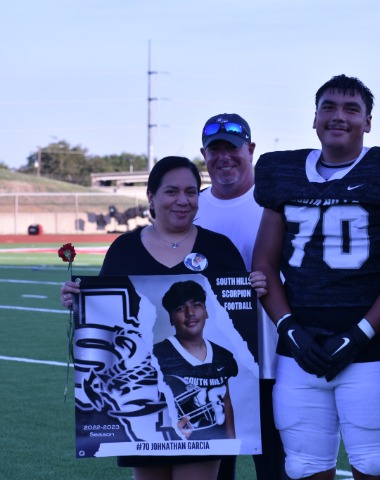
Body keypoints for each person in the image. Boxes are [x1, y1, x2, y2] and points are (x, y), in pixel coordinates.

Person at [252, 74, 380, 480]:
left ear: (368, 122)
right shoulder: (281, 171)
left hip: (372, 349)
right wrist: (290, 331)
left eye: (352, 109)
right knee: (303, 466)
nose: (339, 116)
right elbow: (263, 263)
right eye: (329, 107)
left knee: (374, 464)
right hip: (300, 349)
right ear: (314, 118)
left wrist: (358, 335)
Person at [60, 155, 266, 480]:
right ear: (151, 197)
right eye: (171, 191)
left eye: (191, 191)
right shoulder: (124, 249)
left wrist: (255, 288)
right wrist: (78, 300)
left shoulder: (220, 248)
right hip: (147, 414)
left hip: (205, 425)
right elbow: (106, 314)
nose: (182, 200)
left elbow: (239, 310)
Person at [194, 113, 288, 480]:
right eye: (215, 150)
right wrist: (85, 296)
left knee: (275, 466)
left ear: (251, 149)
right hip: (209, 364)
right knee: (215, 469)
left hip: (271, 360)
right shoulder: (190, 207)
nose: (224, 158)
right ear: (204, 154)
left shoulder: (275, 203)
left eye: (232, 148)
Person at [154, 280, 238, 441]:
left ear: (206, 311)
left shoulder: (223, 356)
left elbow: (226, 402)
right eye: (180, 308)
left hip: (218, 443)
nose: (190, 313)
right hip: (176, 443)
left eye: (196, 305)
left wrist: (232, 442)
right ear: (171, 318)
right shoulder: (156, 355)